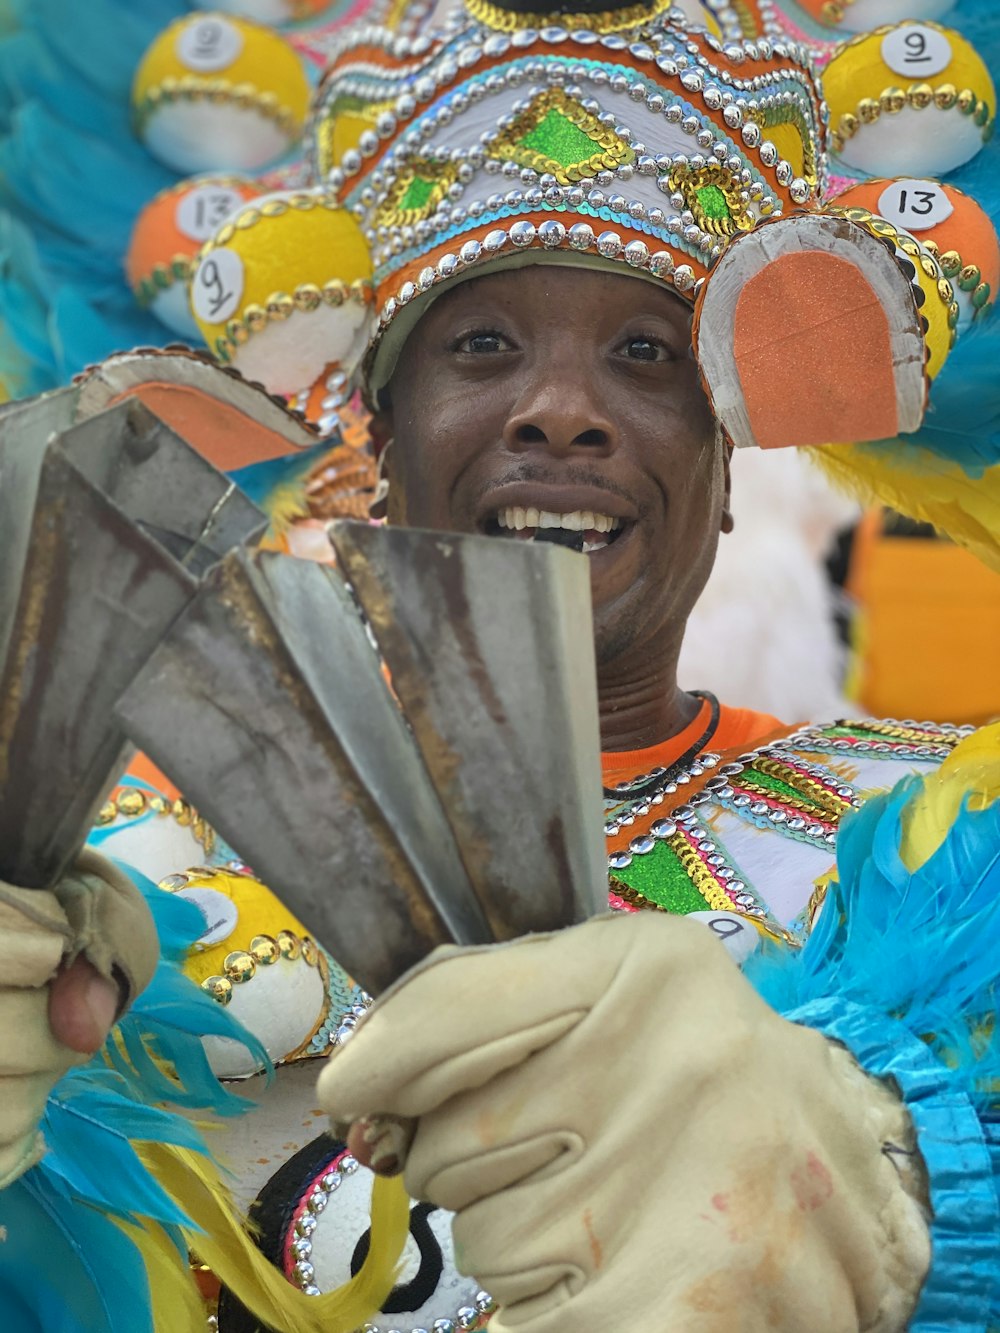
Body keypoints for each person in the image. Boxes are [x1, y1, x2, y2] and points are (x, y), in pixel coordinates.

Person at [2, 2, 1000, 1331]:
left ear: (723, 481)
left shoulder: (931, 858)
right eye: (482, 347)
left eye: (645, 358)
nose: (561, 410)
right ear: (376, 443)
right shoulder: (122, 886)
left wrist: (885, 1189)